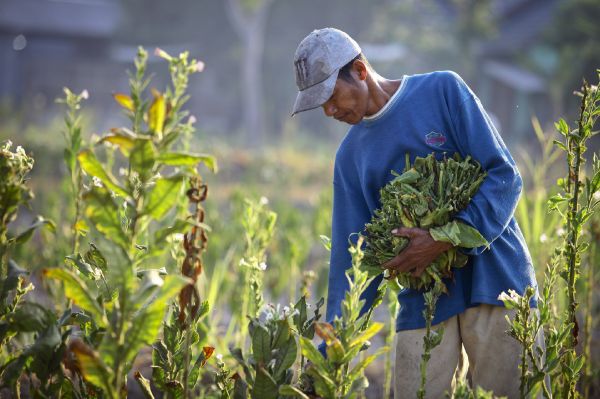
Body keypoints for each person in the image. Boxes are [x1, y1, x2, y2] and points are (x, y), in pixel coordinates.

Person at [291, 27, 540, 399]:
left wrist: (443, 238)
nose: (328, 110)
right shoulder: (350, 159)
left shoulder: (443, 91)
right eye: (319, 104)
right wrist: (327, 353)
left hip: (496, 281)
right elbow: (351, 261)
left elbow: (505, 177)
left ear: (359, 70)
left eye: (330, 95)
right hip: (424, 301)